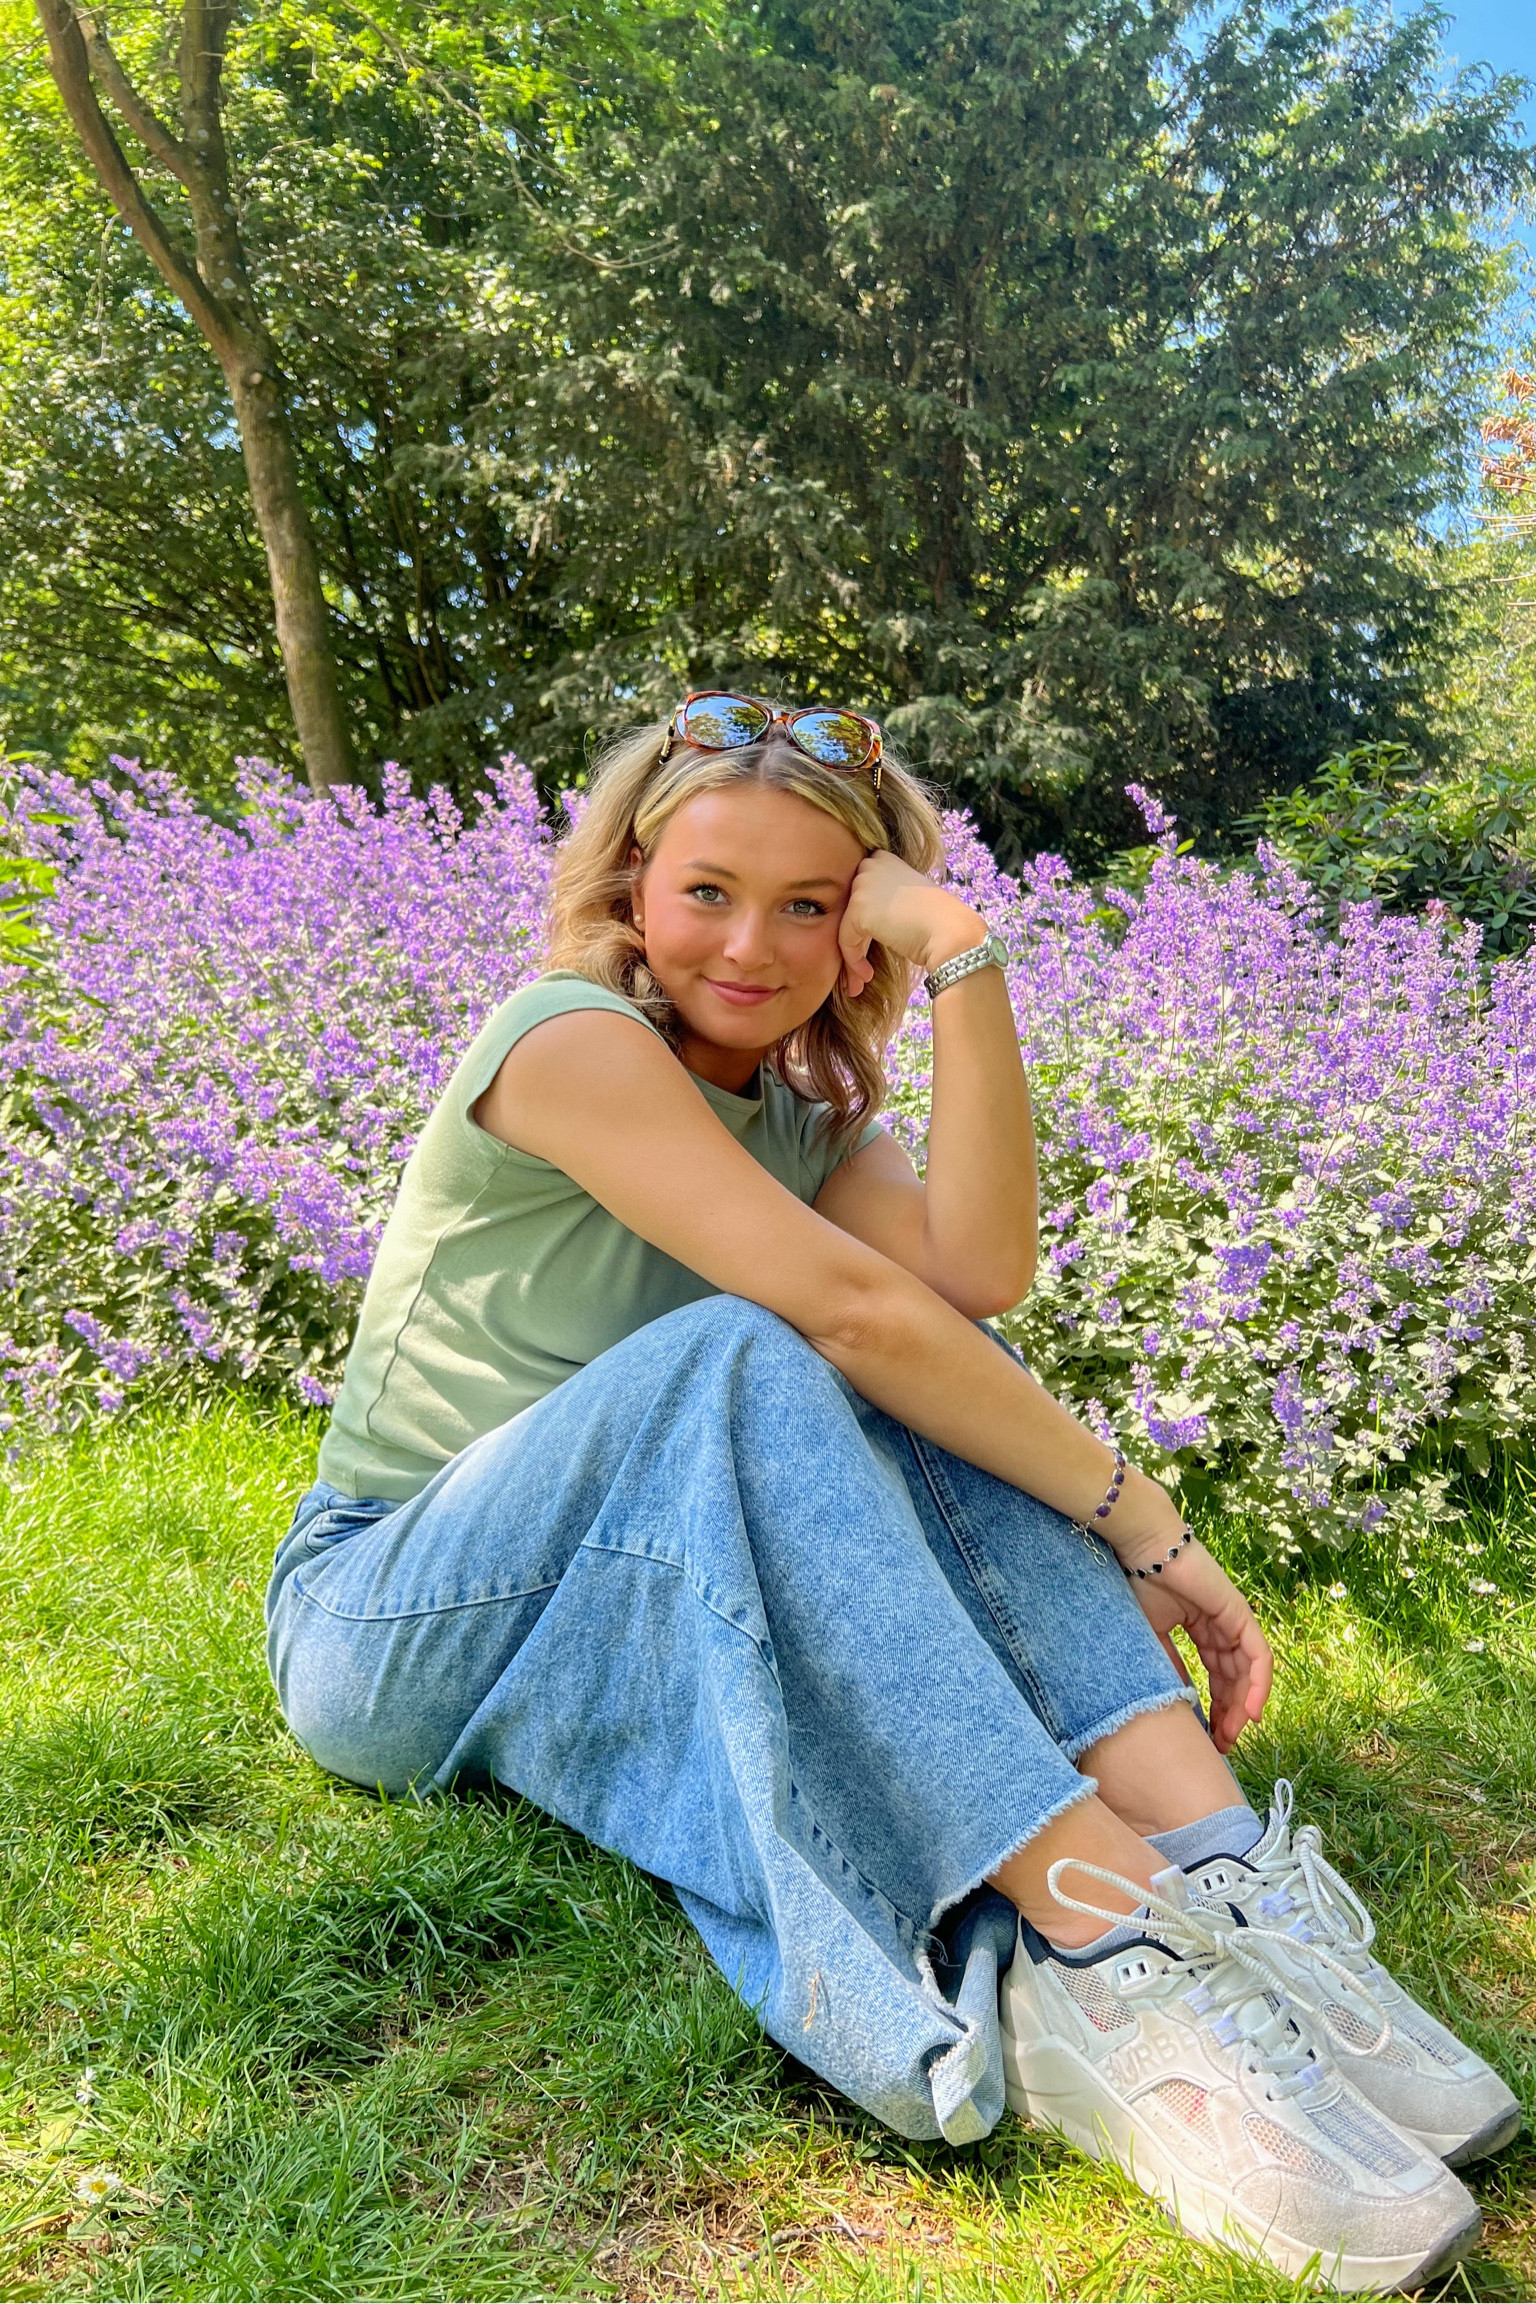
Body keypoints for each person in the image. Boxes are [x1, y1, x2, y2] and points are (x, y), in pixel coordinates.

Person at [266, 694, 1517, 2290]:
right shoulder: (566, 1039)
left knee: (924, 1366)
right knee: (770, 1340)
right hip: (391, 1611)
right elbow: (848, 1313)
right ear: (633, 881)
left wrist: (966, 955)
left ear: (860, 930)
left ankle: (1229, 1886)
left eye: (810, 904)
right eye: (709, 888)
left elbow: (975, 1278)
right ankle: (1100, 1933)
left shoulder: (809, 1120)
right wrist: (1148, 1523)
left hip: (618, 1584)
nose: (750, 943)